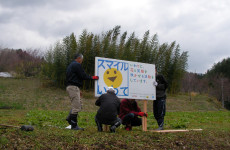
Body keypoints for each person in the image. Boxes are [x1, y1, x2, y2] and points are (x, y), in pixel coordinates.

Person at [66, 53, 99, 130]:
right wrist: (93, 77)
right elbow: (83, 76)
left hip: (73, 87)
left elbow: (74, 78)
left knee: (79, 104)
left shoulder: (71, 65)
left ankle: (69, 118)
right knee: (76, 106)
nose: (82, 61)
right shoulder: (76, 65)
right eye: (82, 60)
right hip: (73, 87)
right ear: (79, 58)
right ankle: (74, 126)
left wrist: (78, 89)